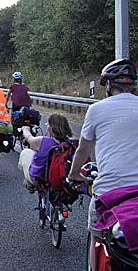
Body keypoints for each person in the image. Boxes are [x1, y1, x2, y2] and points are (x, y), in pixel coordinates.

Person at [67, 59, 138, 252]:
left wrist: (74, 174)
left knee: (96, 235)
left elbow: (83, 149)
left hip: (109, 192)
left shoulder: (97, 109)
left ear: (108, 84)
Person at [18, 114, 73, 192]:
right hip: (62, 178)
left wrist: (25, 129)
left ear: (51, 127)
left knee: (26, 152)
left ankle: (29, 182)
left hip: (40, 177)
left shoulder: (42, 141)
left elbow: (28, 137)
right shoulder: (70, 143)